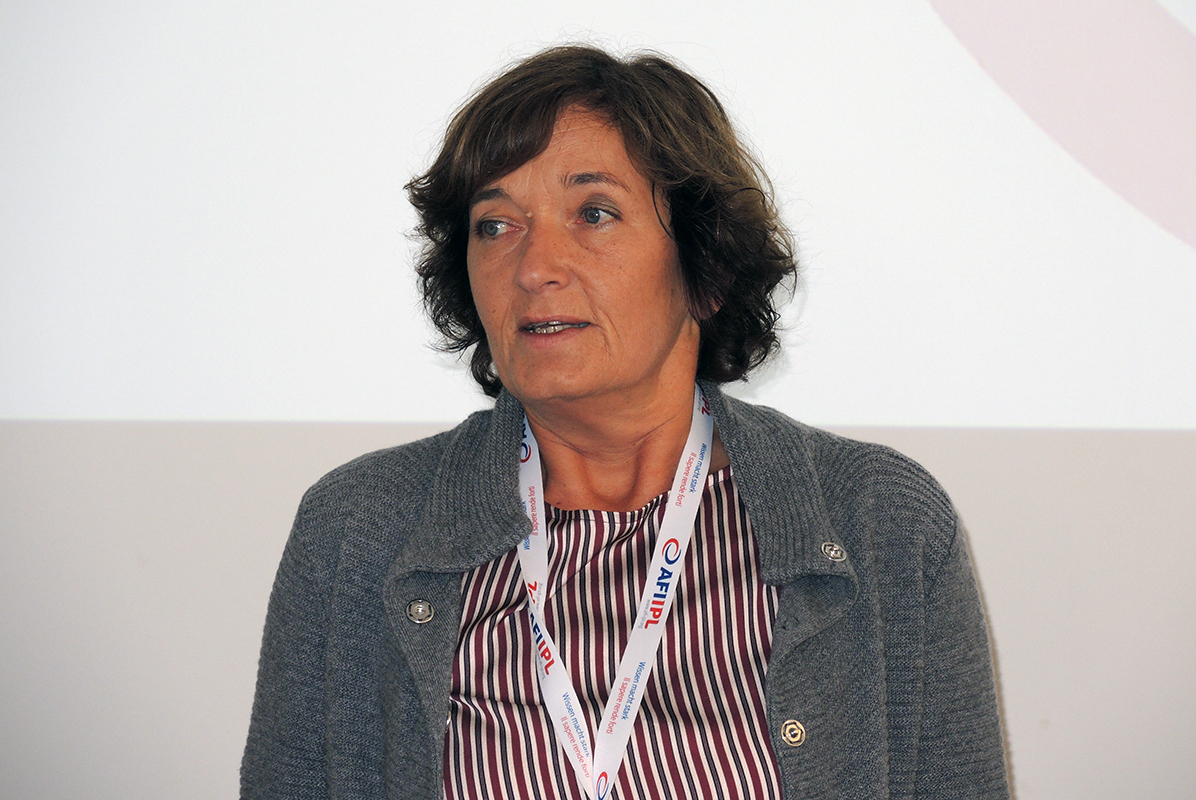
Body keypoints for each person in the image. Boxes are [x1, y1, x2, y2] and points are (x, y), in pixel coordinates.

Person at [242, 45, 1009, 799]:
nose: (534, 267)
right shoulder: (358, 528)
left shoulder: (880, 522)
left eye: (594, 213)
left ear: (706, 270)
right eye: (495, 225)